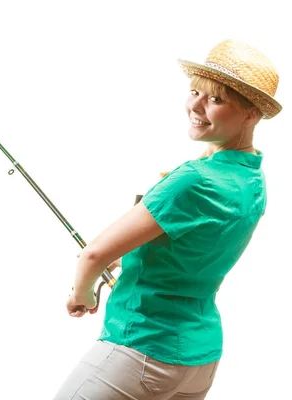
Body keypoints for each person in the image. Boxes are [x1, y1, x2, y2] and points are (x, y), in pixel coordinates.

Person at [53, 39, 282, 400]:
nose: (195, 106)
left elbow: (92, 255)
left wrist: (81, 294)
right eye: (194, 92)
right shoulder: (253, 180)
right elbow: (196, 248)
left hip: (141, 348)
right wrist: (130, 261)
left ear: (252, 112)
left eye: (216, 99)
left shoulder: (192, 180)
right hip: (199, 360)